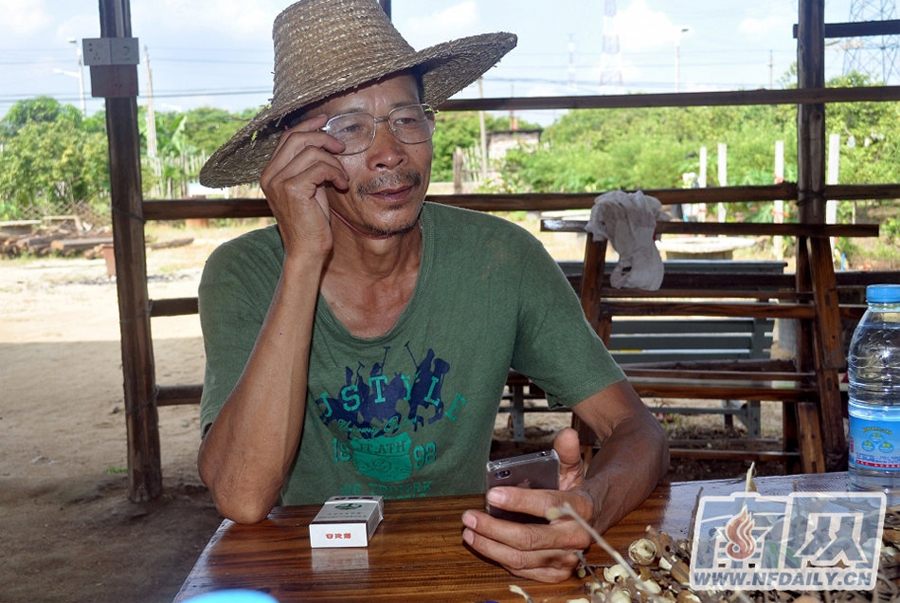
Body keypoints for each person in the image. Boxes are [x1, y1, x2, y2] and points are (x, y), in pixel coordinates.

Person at [196, 0, 668, 583]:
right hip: (303, 576)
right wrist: (303, 259)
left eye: (406, 118)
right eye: (348, 127)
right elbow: (242, 498)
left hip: (459, 564)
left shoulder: (501, 258)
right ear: (295, 157)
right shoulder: (243, 273)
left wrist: (590, 507)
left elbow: (637, 430)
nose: (389, 151)